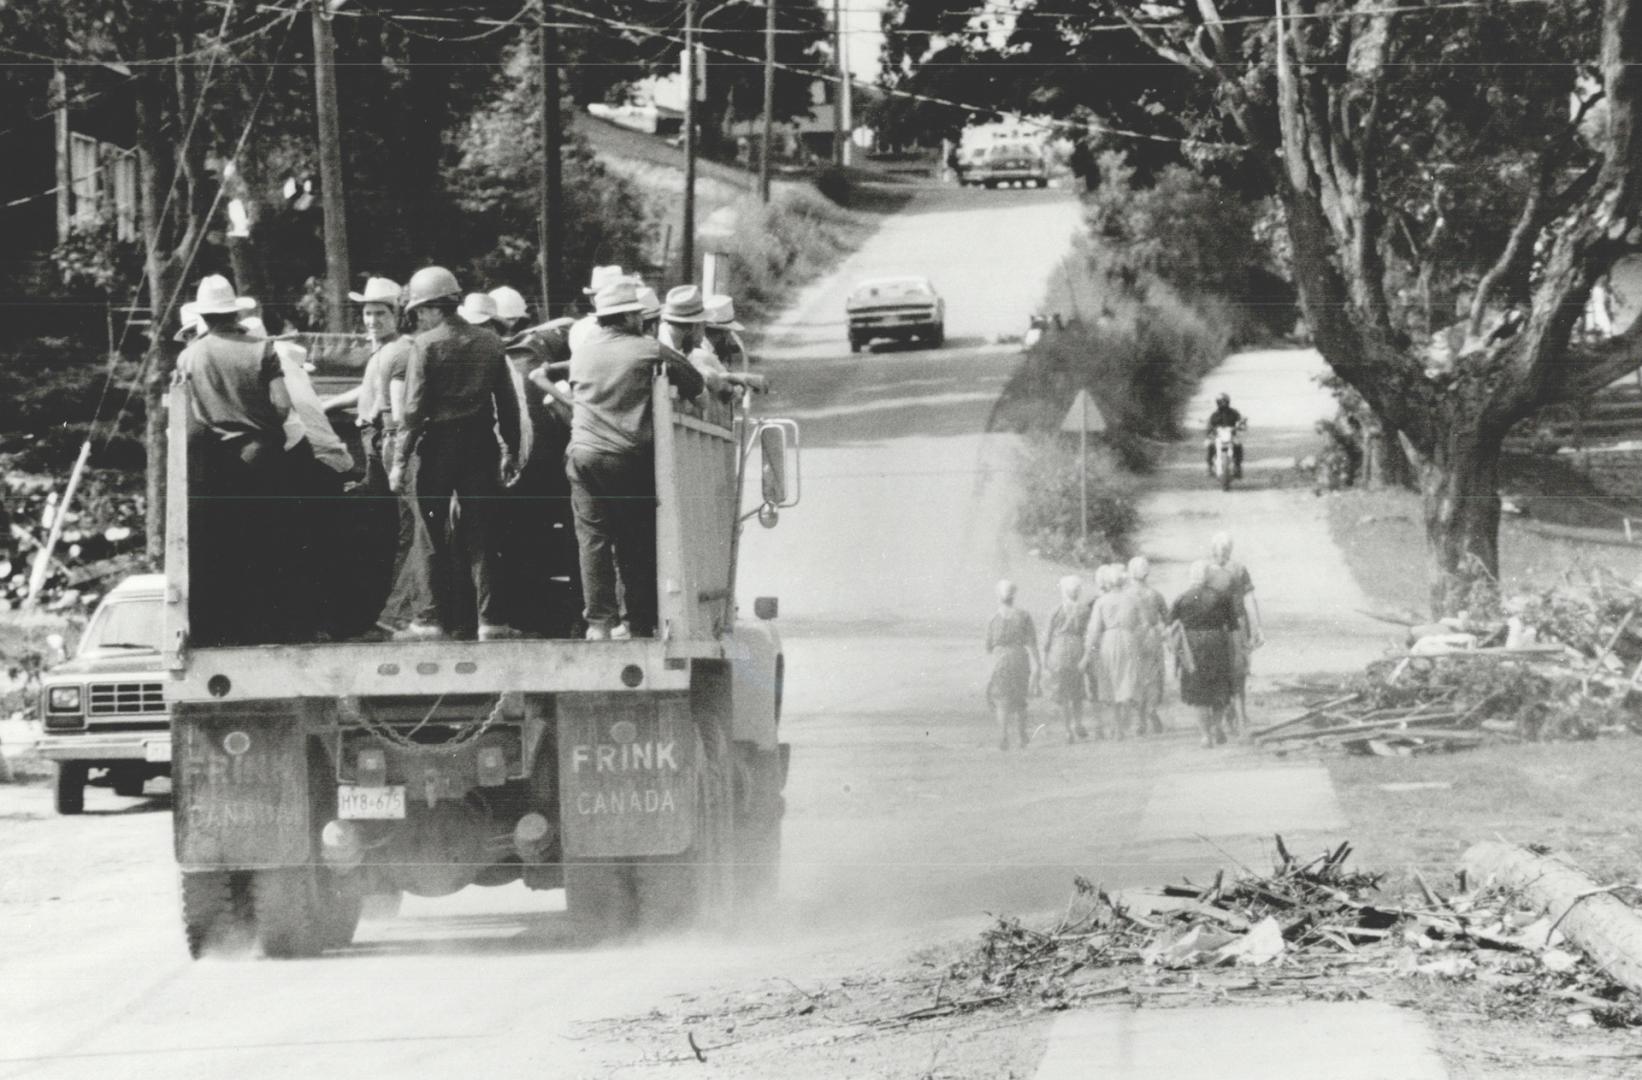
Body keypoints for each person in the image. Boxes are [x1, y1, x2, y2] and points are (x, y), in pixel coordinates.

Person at [565, 277, 705, 640]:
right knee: (634, 541)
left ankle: (599, 623)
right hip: (624, 457)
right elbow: (697, 387)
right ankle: (637, 622)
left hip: (581, 455)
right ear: (630, 318)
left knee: (593, 539)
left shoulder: (581, 353)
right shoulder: (647, 349)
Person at [389, 265, 524, 641]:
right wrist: (510, 451)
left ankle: (428, 620)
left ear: (433, 308)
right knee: (483, 533)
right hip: (479, 444)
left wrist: (400, 461)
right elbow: (508, 406)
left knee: (429, 532)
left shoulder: (425, 346)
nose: (416, 318)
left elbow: (413, 411)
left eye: (418, 311)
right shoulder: (490, 343)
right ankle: (491, 621)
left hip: (438, 446)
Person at [174, 275, 296, 646]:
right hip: (263, 455)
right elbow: (282, 403)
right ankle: (274, 627)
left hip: (217, 464)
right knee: (271, 544)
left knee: (229, 547)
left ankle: (232, 628)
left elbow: (188, 414)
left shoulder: (189, 355)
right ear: (234, 313)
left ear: (205, 316)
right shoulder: (263, 348)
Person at [1168, 560, 1241, 747]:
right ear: (1208, 577)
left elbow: (1171, 627)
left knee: (1198, 692)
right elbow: (1233, 627)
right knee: (1220, 689)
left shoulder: (1181, 598)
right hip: (1217, 643)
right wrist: (1239, 653)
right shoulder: (1222, 598)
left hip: (1192, 647)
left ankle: (1205, 735)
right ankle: (1217, 725)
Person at [1084, 561, 1157, 741]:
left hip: (1108, 641)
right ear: (1123, 582)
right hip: (1129, 639)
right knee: (1127, 680)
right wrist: (1137, 637)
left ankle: (1117, 727)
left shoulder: (1101, 601)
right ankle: (1123, 725)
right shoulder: (1133, 599)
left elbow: (1094, 630)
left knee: (1111, 680)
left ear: (1108, 583)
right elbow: (1146, 623)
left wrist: (1088, 652)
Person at [1205, 531, 1263, 733]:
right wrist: (1257, 627)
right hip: (1236, 624)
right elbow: (1250, 600)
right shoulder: (1238, 569)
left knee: (1221, 669)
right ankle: (1239, 714)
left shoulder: (1205, 570)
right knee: (1238, 669)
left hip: (1217, 625)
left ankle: (1227, 714)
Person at [985, 579, 1040, 751]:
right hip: (1019, 658)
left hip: (1000, 660)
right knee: (1020, 699)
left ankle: (1003, 736)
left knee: (1001, 699)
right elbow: (1032, 642)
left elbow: (988, 646)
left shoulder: (993, 618)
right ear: (1013, 596)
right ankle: (1022, 736)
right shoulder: (1023, 616)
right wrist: (1038, 663)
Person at [1041, 575, 1090, 743]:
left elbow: (1047, 637)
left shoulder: (1056, 610)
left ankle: (1068, 729)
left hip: (1059, 650)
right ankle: (1078, 722)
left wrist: (1045, 657)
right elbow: (1089, 634)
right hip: (1077, 648)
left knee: (1063, 693)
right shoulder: (1084, 610)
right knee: (1077, 690)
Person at [1127, 556, 1169, 735]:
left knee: (1135, 675)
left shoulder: (1126, 595)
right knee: (1153, 675)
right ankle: (1151, 708)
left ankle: (1140, 718)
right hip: (1152, 636)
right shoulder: (1155, 594)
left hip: (1133, 636)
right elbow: (1167, 617)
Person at [1205, 393, 1245, 478]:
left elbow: (1240, 420)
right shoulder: (1214, 414)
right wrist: (1209, 430)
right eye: (1220, 402)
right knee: (1210, 445)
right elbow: (1209, 424)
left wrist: (1241, 424)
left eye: (1224, 401)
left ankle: (1238, 466)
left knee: (1238, 445)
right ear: (1217, 402)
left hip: (1231, 435)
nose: (1223, 403)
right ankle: (1210, 466)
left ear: (1228, 402)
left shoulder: (1234, 412)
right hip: (1218, 436)